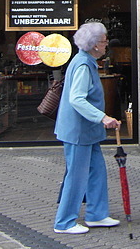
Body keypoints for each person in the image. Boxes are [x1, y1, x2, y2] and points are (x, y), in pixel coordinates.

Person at [53, 21, 122, 235]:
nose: (106, 44)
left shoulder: (86, 61)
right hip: (78, 131)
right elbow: (77, 99)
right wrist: (103, 118)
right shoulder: (83, 64)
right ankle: (64, 222)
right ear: (93, 45)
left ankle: (97, 214)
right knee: (77, 175)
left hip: (86, 131)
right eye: (104, 41)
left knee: (96, 171)